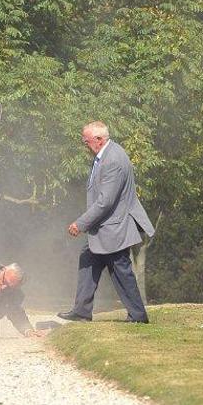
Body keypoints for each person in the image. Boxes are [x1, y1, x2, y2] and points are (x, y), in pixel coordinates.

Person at [59, 121, 155, 323]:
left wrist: (81, 223)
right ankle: (82, 310)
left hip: (114, 228)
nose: (85, 145)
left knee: (121, 270)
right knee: (88, 259)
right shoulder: (106, 154)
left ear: (99, 139)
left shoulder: (113, 160)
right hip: (106, 228)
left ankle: (138, 315)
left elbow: (105, 202)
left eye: (86, 141)